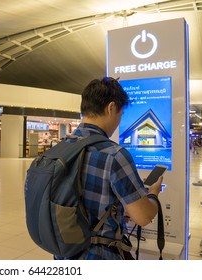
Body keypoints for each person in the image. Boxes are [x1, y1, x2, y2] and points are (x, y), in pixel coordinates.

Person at [57, 77, 163, 260]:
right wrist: (152, 194)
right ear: (111, 107)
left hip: (64, 252)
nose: (118, 122)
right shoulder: (114, 155)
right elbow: (144, 217)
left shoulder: (60, 149)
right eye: (120, 115)